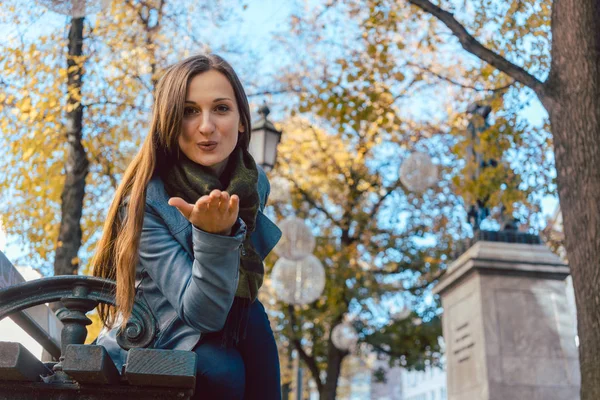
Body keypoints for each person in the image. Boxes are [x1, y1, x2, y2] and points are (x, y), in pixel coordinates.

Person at [91, 54, 283, 400]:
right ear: (169, 122)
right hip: (155, 338)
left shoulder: (254, 187)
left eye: (221, 108)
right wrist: (214, 236)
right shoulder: (146, 198)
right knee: (225, 371)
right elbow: (202, 314)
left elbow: (235, 293)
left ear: (242, 121)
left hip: (222, 326)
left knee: (252, 317)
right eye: (189, 111)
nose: (206, 126)